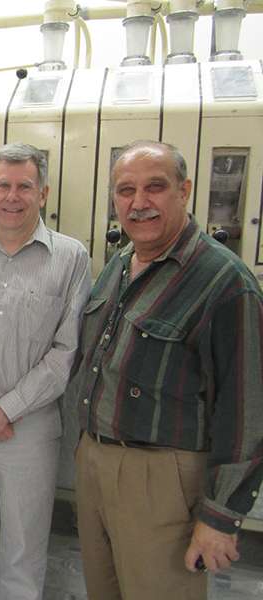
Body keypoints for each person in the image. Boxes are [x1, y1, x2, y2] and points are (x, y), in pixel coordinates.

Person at [64, 140, 263, 599]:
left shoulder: (224, 282)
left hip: (162, 480)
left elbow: (247, 411)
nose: (138, 202)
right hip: (96, 463)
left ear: (184, 190)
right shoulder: (119, 264)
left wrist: (220, 516)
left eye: (155, 187)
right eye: (125, 190)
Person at [0, 143, 91, 599]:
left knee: (23, 548)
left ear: (43, 193)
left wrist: (4, 410)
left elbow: (67, 350)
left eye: (24, 186)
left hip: (30, 428)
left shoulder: (70, 258)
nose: (13, 196)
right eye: (3, 185)